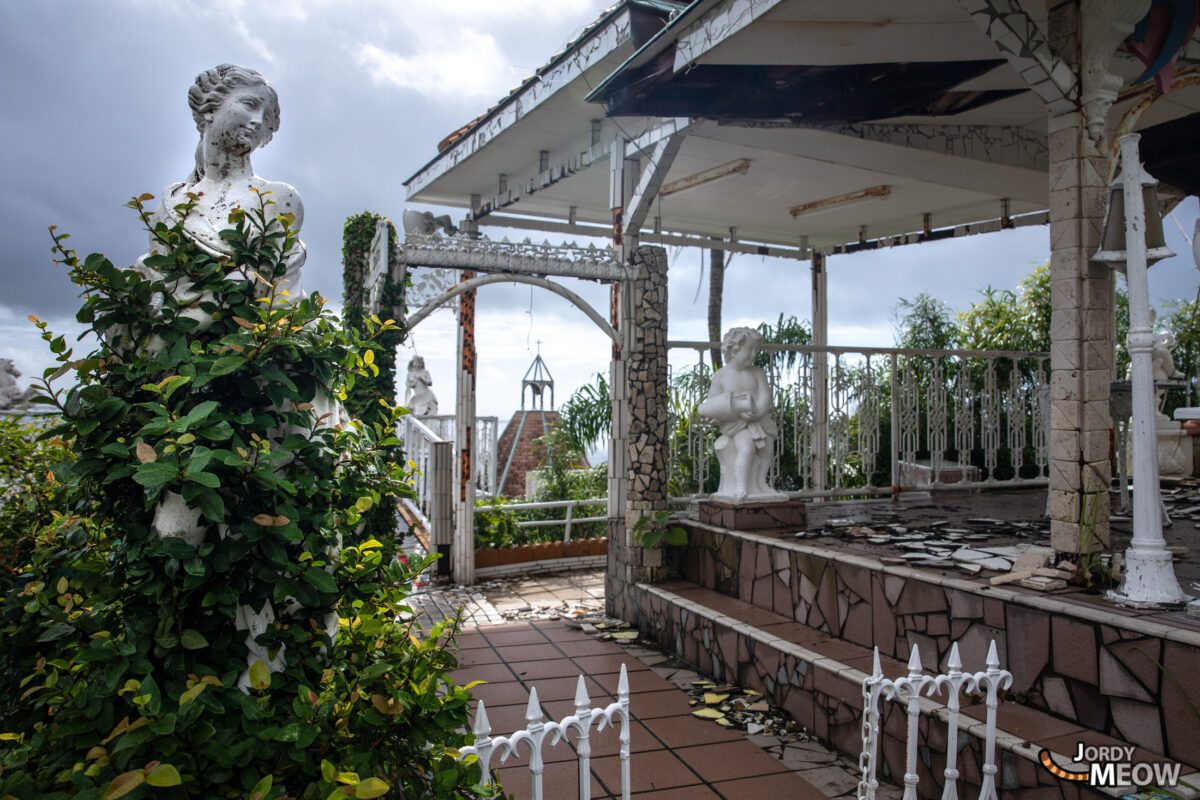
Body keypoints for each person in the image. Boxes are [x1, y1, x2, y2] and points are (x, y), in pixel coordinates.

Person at [140, 64, 305, 316]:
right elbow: (157, 284)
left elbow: (262, 290)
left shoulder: (277, 198)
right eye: (250, 105)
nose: (258, 120)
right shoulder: (171, 205)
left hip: (243, 346)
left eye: (266, 115)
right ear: (209, 108)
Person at [698, 327, 782, 501]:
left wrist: (758, 413)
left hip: (758, 421)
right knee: (746, 448)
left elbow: (766, 396)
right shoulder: (721, 375)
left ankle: (761, 483)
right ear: (734, 349)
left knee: (767, 448)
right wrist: (730, 411)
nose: (753, 354)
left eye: (755, 351)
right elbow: (713, 401)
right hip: (736, 425)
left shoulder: (757, 372)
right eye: (749, 350)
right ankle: (741, 486)